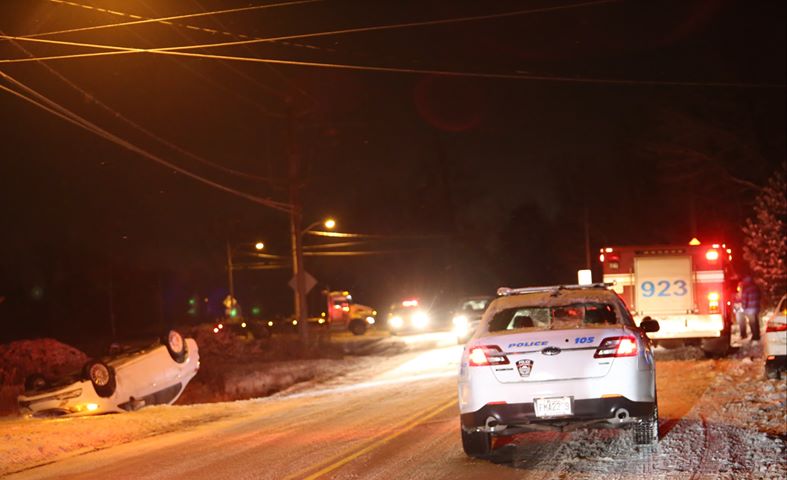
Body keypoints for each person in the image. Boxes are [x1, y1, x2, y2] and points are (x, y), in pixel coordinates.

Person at [740, 276, 761, 341]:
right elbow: (760, 296)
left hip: (749, 308)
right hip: (756, 307)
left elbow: (744, 299)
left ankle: (755, 336)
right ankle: (758, 335)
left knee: (752, 322)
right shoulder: (755, 286)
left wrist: (743, 307)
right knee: (756, 322)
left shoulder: (746, 288)